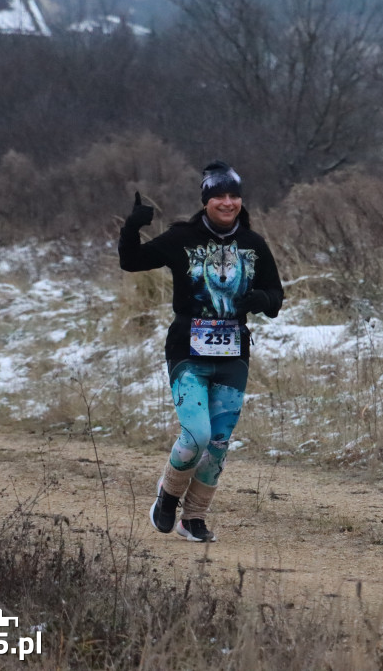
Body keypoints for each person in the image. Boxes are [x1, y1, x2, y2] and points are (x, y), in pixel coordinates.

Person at [119, 160, 284, 542]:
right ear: (206, 201)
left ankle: (193, 519)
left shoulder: (254, 245)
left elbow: (276, 297)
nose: (227, 203)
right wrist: (133, 226)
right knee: (196, 435)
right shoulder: (182, 238)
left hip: (233, 357)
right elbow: (131, 261)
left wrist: (259, 298)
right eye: (219, 196)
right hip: (187, 353)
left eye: (234, 196)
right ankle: (167, 496)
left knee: (219, 443)